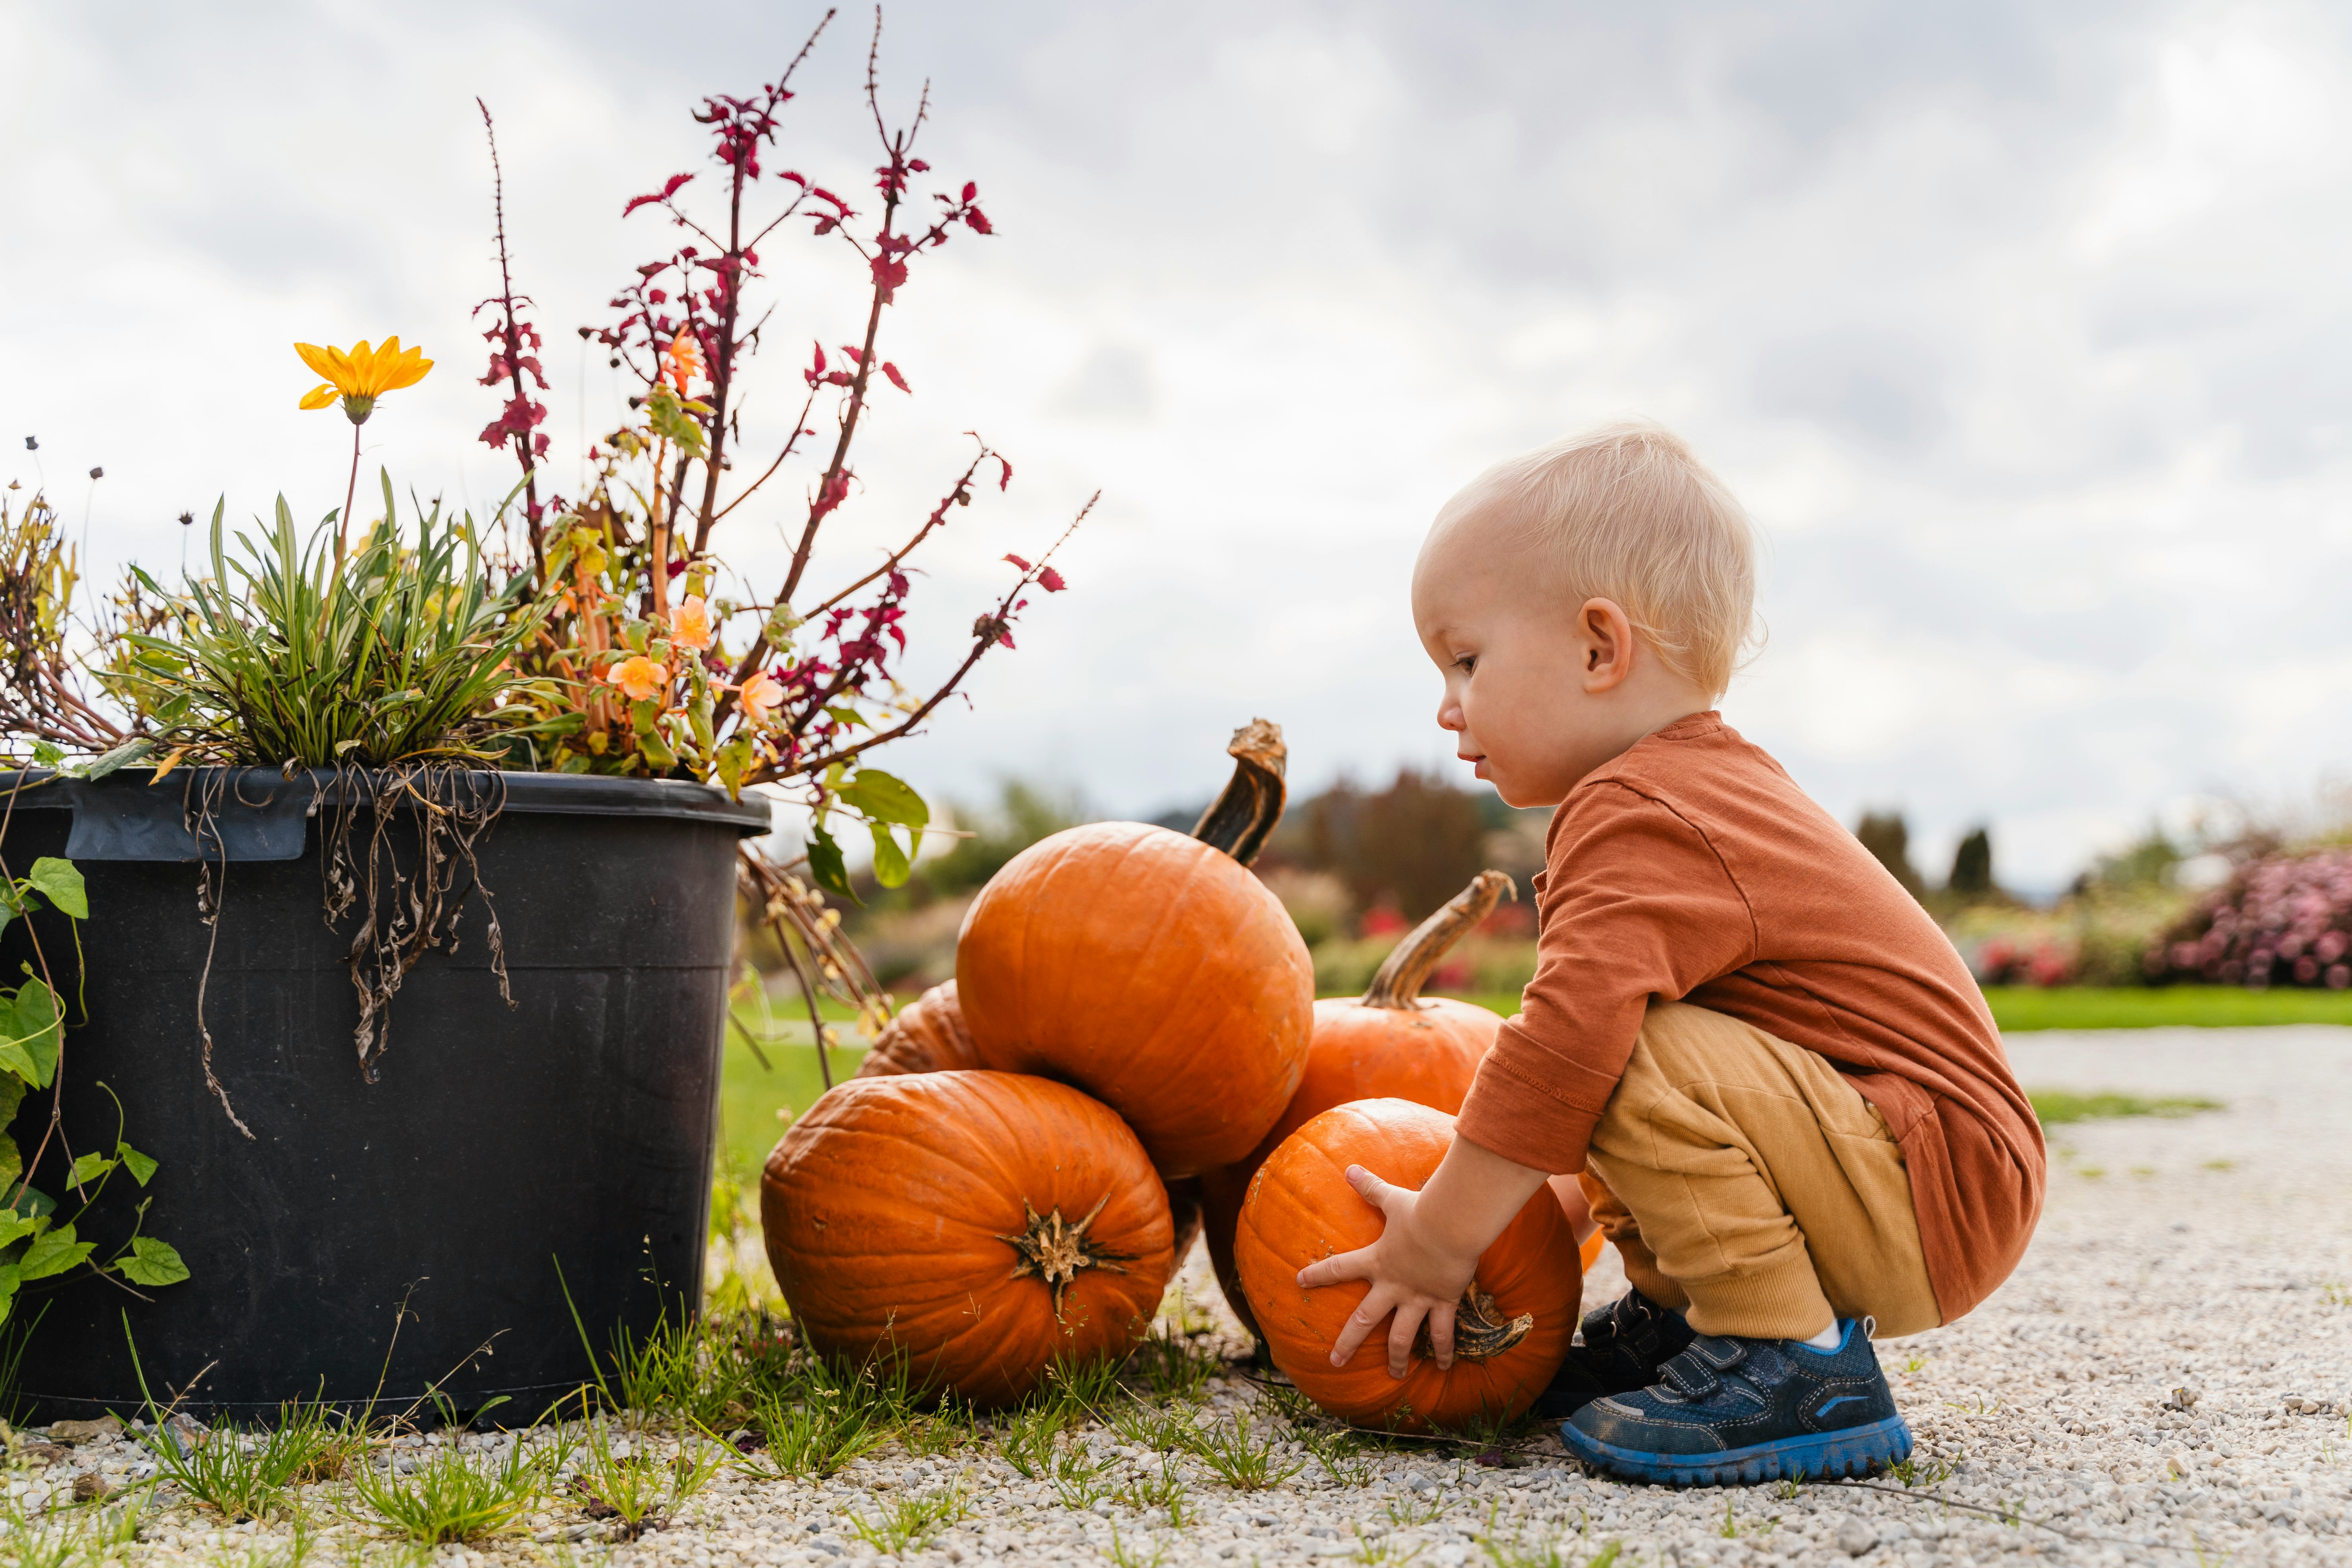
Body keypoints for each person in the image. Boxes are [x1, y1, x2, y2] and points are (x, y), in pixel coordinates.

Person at [1298, 422, 2043, 1486]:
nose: (1446, 703)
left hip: (1935, 1178)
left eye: (1466, 658)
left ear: (1600, 648)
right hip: (1914, 1163)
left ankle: (1793, 1359)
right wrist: (1533, 1218)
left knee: (1608, 1041)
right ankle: (1693, 1323)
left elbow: (1566, 1053)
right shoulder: (1688, 788)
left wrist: (1442, 1241)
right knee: (1609, 1041)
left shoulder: (1644, 806)